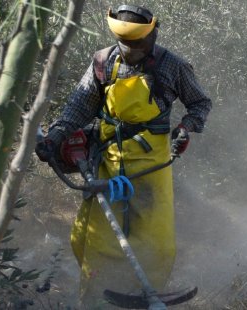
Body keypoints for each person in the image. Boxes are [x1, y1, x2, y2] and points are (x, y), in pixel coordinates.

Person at [35, 4, 212, 306]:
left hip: (150, 168)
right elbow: (78, 108)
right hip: (108, 161)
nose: (132, 50)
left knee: (153, 238)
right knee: (94, 237)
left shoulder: (172, 66)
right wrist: (54, 137)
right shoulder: (103, 63)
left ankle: (147, 293)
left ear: (153, 34)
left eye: (138, 43)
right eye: (127, 43)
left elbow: (200, 103)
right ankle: (99, 298)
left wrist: (185, 128)